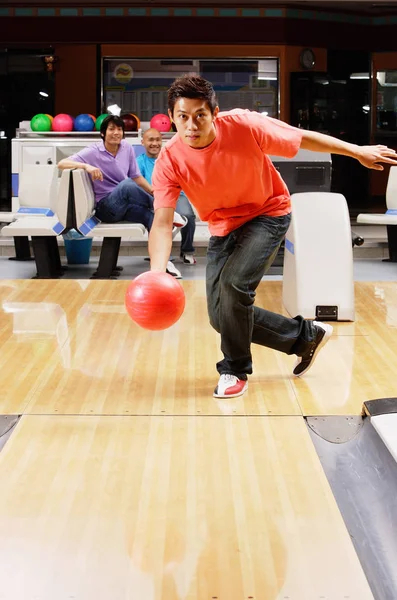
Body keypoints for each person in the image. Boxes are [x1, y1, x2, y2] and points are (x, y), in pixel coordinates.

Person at [149, 75, 397, 399]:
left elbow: (302, 138)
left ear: (215, 113)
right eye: (183, 117)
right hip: (223, 226)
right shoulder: (169, 159)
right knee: (220, 316)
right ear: (172, 118)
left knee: (234, 286)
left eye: (200, 115)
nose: (191, 125)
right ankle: (303, 337)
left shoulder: (243, 125)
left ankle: (233, 370)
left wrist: (356, 150)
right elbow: (163, 223)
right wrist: (156, 273)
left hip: (268, 212)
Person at [57, 114, 185, 278]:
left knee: (151, 217)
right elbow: (61, 164)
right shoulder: (93, 151)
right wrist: (86, 166)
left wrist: (155, 192)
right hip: (106, 208)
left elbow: (137, 177)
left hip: (124, 205)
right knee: (125, 185)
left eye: (119, 129)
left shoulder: (126, 148)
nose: (116, 132)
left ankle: (163, 263)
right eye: (111, 129)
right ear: (103, 133)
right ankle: (167, 211)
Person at [137, 127, 197, 265]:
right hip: (153, 198)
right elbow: (137, 183)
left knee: (188, 216)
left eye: (158, 140)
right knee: (158, 219)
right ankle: (160, 254)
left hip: (176, 195)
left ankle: (187, 251)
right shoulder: (139, 161)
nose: (155, 143)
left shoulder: (171, 158)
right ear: (143, 142)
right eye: (150, 140)